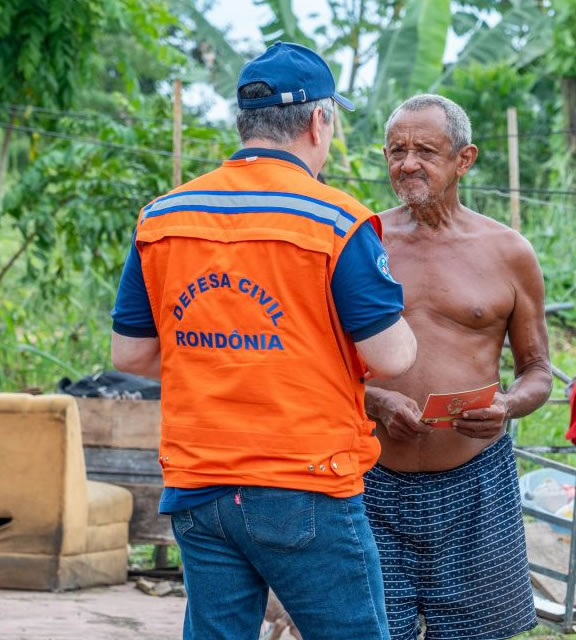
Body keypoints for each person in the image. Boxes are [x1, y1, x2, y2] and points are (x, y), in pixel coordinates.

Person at [110, 42, 417, 640]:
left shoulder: (163, 218)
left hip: (198, 486)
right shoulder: (334, 221)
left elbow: (132, 354)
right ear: (317, 121)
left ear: (244, 123)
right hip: (304, 482)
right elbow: (392, 355)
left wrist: (226, 354)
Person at [362, 94, 553, 640]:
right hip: (371, 476)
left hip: (477, 480)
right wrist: (373, 400)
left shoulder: (507, 251)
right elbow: (323, 361)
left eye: (426, 150)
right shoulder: (360, 241)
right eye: (397, 150)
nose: (408, 163)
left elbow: (538, 370)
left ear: (464, 159)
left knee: (479, 633)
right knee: (369, 629)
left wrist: (507, 406)